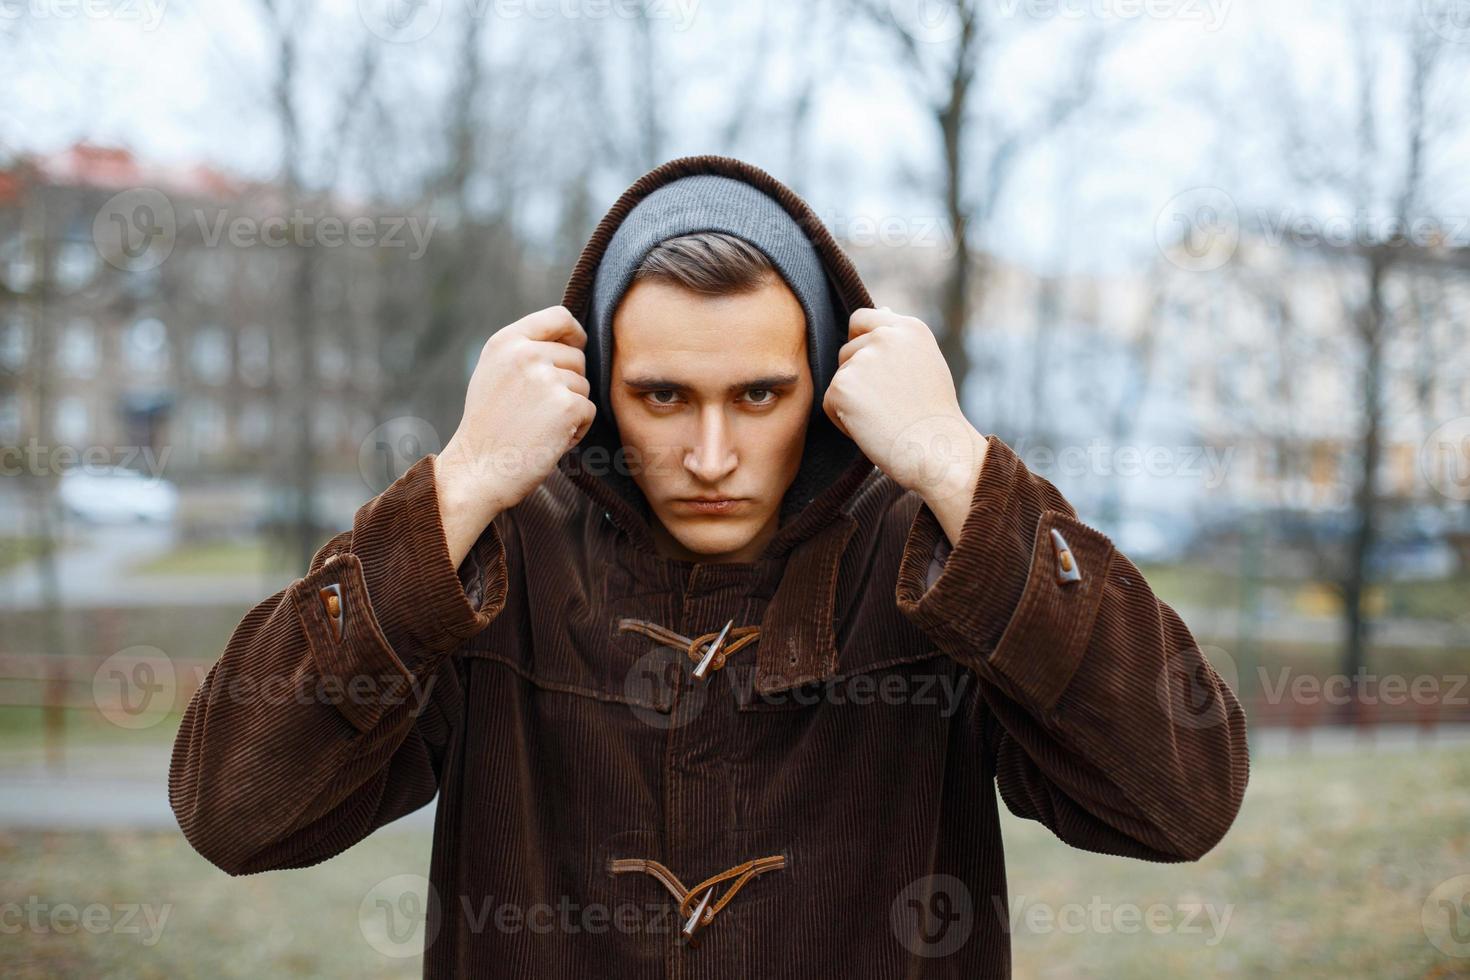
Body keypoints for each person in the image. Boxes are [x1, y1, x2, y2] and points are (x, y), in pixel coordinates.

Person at [169, 155, 1249, 978]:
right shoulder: (501, 561)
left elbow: (1182, 800)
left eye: (760, 395)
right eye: (665, 396)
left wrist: (962, 470)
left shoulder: (928, 556)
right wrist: (456, 487)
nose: (714, 455)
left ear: (825, 383)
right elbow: (233, 810)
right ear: (596, 382)